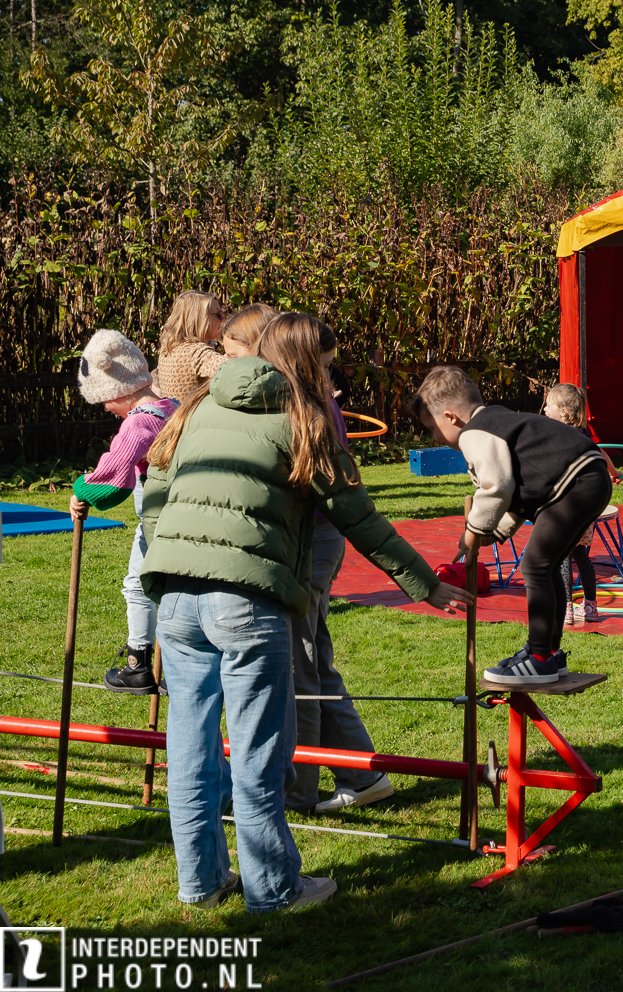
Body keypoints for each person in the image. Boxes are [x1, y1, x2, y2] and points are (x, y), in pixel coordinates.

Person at [141, 313, 470, 914]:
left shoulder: (194, 407)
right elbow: (357, 516)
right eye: (324, 365)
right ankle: (273, 889)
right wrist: (425, 585)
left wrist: (169, 557)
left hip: (177, 597)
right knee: (259, 750)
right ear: (302, 364)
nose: (330, 376)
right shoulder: (303, 420)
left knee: (189, 747)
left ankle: (202, 881)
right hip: (247, 599)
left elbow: (156, 491)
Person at [409, 366, 611, 689]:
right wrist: (493, 533)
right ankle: (549, 652)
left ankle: (540, 659)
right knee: (549, 564)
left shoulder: (474, 433)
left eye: (432, 427)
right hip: (588, 477)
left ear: (450, 417)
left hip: (575, 482)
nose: (434, 437)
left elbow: (496, 488)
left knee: (535, 566)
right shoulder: (498, 421)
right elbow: (516, 495)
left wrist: (473, 532)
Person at [286, 319, 394, 814]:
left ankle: (298, 788)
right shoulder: (307, 399)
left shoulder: (308, 404)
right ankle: (359, 773)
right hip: (313, 539)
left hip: (312, 540)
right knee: (312, 664)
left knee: (300, 669)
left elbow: (341, 496)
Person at [67, 330, 180, 693]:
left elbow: (113, 480)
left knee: (139, 585)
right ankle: (178, 666)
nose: (105, 409)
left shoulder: (139, 421)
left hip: (158, 518)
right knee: (176, 587)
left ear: (119, 390)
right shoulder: (173, 407)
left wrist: (82, 490)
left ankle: (138, 664)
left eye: (104, 401)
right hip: (184, 513)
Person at [544, 382, 622, 625]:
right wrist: (613, 472)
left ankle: (566, 608)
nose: (545, 410)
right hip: (587, 507)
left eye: (548, 406)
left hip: (567, 506)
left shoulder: (558, 435)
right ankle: (590, 607)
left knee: (563, 556)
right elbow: (600, 453)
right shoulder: (584, 434)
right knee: (580, 554)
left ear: (564, 412)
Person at [155, 290, 228, 399]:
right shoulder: (196, 353)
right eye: (217, 314)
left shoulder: (170, 346)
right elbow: (236, 371)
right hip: (193, 410)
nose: (222, 319)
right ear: (200, 318)